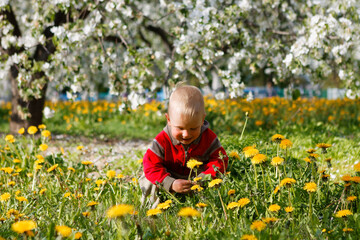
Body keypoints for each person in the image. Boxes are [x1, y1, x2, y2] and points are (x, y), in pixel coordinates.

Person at [139, 84, 228, 208]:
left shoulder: (209, 138)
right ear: (168, 120)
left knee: (221, 180)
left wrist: (204, 178)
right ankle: (153, 206)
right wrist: (171, 183)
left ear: (202, 120)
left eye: (193, 128)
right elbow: (150, 166)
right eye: (180, 128)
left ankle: (207, 205)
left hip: (197, 180)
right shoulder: (162, 140)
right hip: (169, 177)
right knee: (149, 180)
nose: (186, 134)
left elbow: (220, 160)